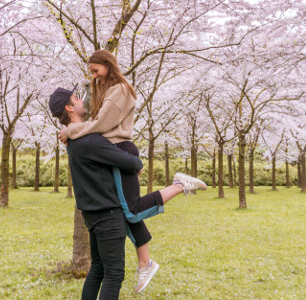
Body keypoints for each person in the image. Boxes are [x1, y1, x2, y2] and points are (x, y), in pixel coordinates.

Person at [59, 49, 207, 293]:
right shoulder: (105, 88)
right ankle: (144, 262)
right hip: (113, 152)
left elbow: (102, 124)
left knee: (132, 208)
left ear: (108, 64)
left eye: (96, 70)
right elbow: (96, 119)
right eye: (91, 73)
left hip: (120, 151)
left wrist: (70, 131)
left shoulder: (120, 90)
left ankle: (179, 185)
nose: (94, 76)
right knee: (128, 211)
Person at [49, 85, 140, 299]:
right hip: (107, 214)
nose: (82, 101)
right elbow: (132, 164)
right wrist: (136, 160)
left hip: (92, 214)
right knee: (114, 274)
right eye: (76, 98)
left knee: (98, 269)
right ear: (69, 108)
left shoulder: (75, 139)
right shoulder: (90, 141)